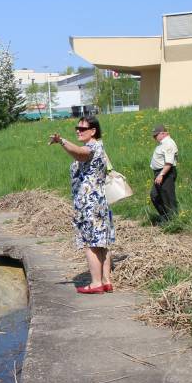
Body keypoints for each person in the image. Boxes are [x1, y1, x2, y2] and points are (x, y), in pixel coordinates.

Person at [49, 116, 115, 294]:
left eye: (82, 128)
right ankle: (106, 281)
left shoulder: (91, 147)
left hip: (89, 203)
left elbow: (79, 153)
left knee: (91, 243)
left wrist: (61, 141)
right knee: (101, 242)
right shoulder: (100, 146)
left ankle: (96, 283)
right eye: (77, 128)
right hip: (100, 200)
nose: (78, 131)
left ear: (93, 131)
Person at [149, 124, 179, 221]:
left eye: (156, 135)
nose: (154, 137)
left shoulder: (168, 143)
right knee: (155, 195)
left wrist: (161, 174)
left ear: (163, 133)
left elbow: (169, 163)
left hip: (166, 173)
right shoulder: (163, 144)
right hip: (159, 173)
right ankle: (165, 218)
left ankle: (174, 220)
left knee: (168, 197)